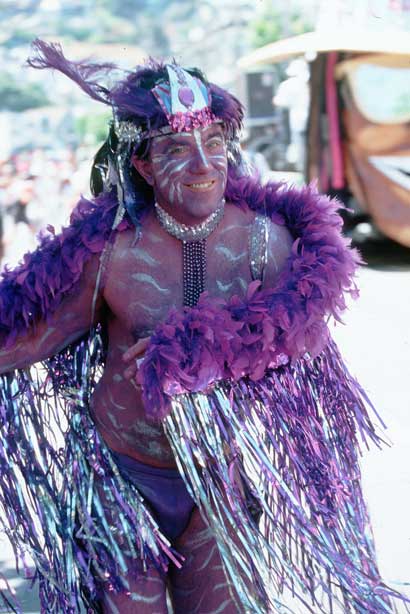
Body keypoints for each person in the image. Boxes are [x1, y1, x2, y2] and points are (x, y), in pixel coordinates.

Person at [0, 40, 408, 614]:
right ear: (141, 163)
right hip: (120, 484)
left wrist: (220, 353)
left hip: (217, 488)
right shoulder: (111, 252)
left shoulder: (266, 241)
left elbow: (304, 338)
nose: (202, 164)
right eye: (175, 147)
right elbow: (21, 337)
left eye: (214, 142)